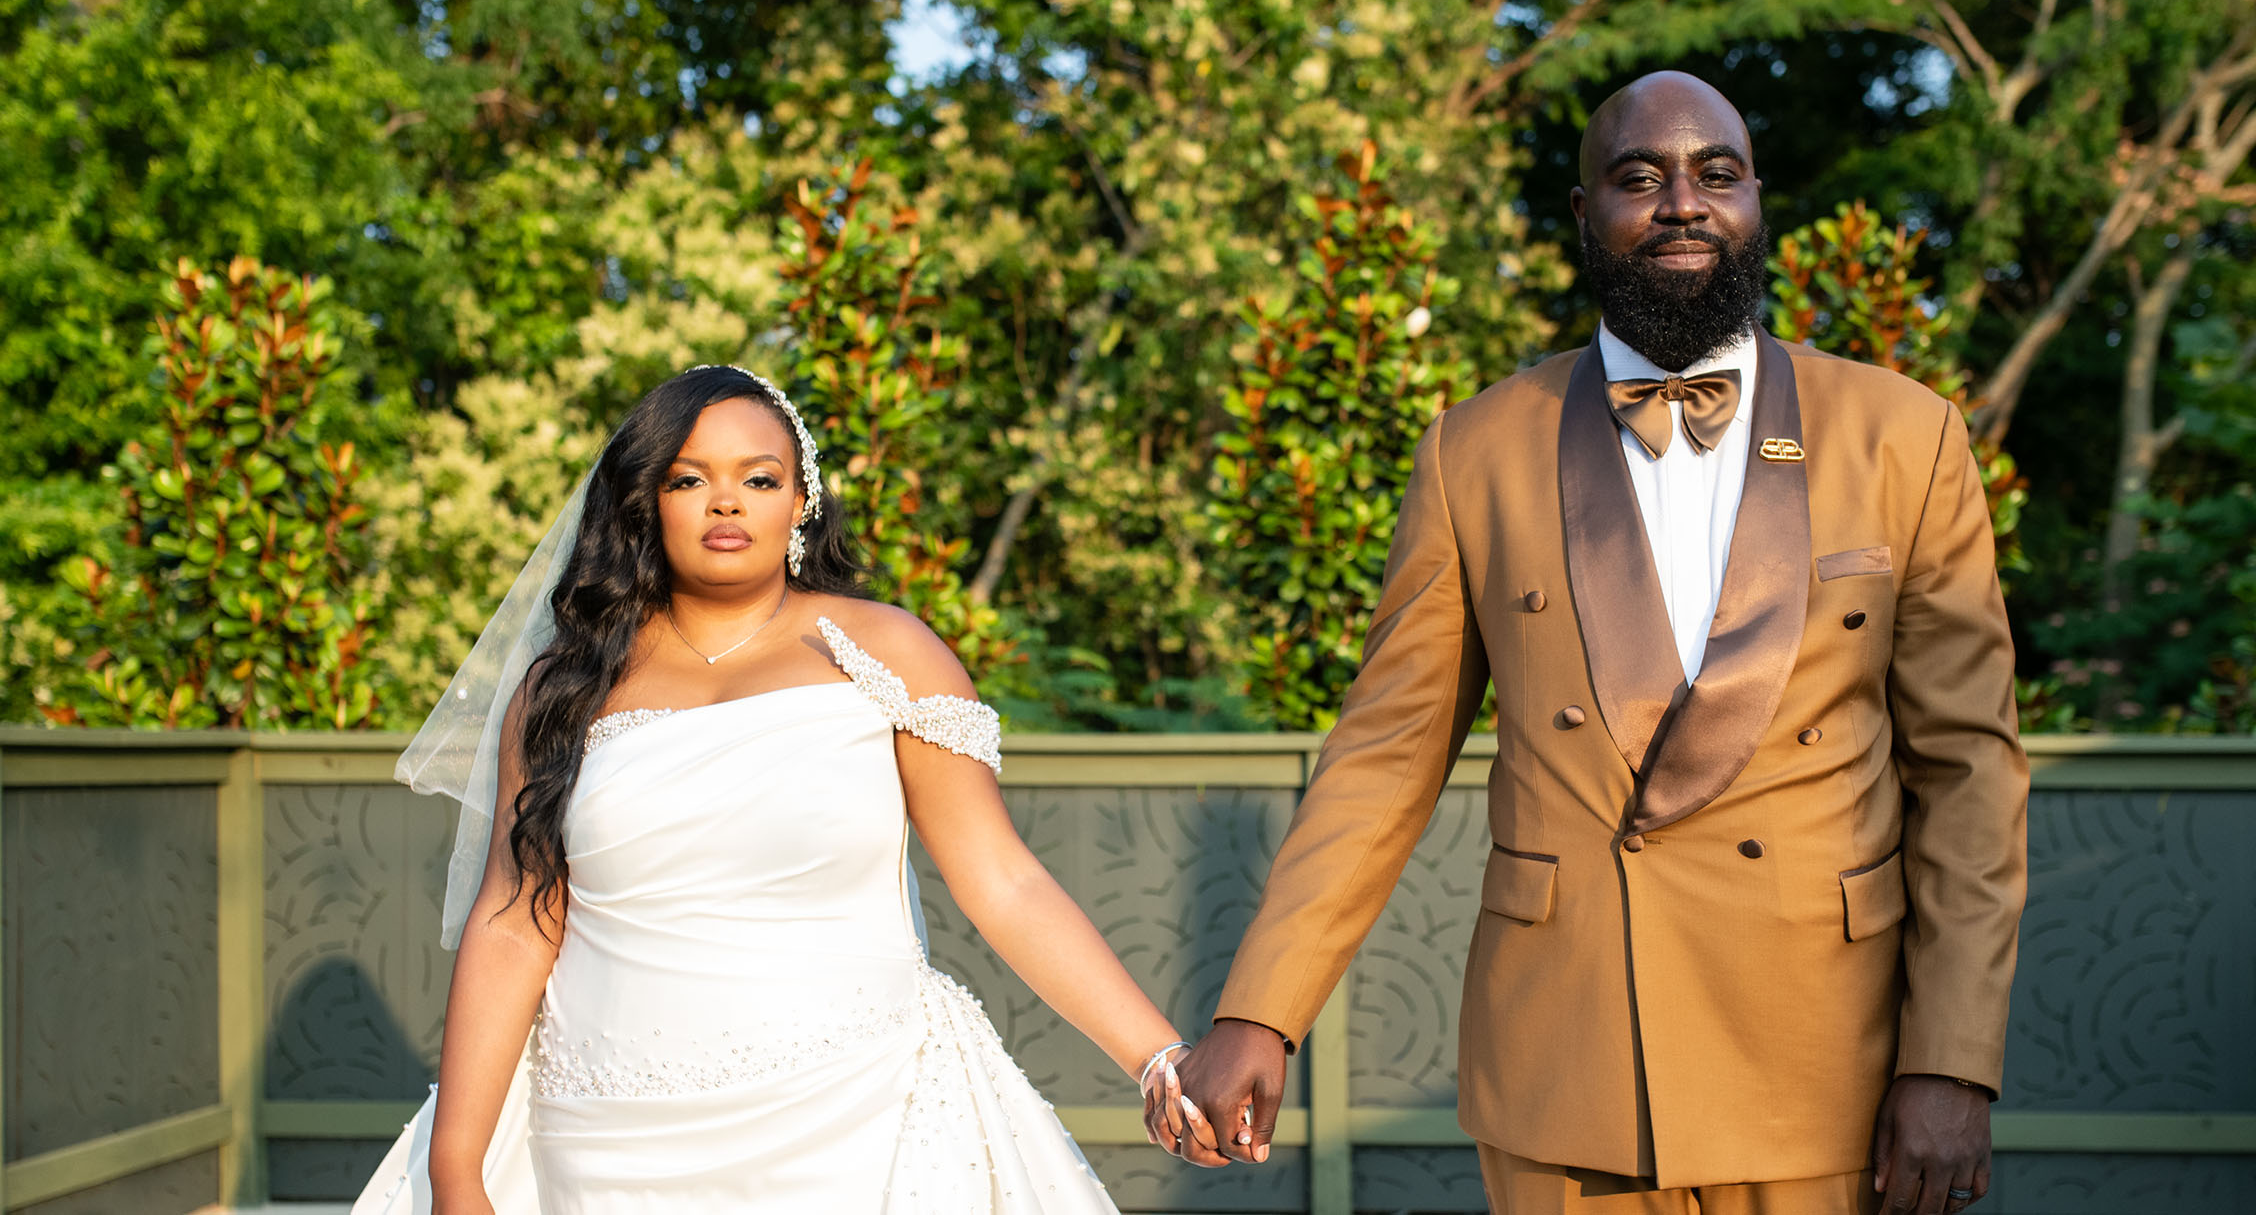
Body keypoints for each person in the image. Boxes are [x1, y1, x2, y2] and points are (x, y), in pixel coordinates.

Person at [1153, 72, 2029, 1215]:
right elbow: (1384, 755)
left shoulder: (1904, 435)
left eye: (1716, 173)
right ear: (1583, 212)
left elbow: (1969, 773)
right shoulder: (1475, 453)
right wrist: (1258, 1009)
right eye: (1638, 177)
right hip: (1571, 1056)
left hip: (1829, 1050)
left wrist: (1951, 1057)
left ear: (1758, 200)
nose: (1681, 202)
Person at [354, 365, 1202, 1214]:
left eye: (758, 478)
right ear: (647, 502)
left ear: (800, 502)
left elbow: (1004, 879)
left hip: (860, 1123)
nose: (727, 503)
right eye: (690, 479)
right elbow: (513, 920)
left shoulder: (889, 651)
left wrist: (1159, 1057)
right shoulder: (564, 688)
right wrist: (456, 1168)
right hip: (601, 1144)